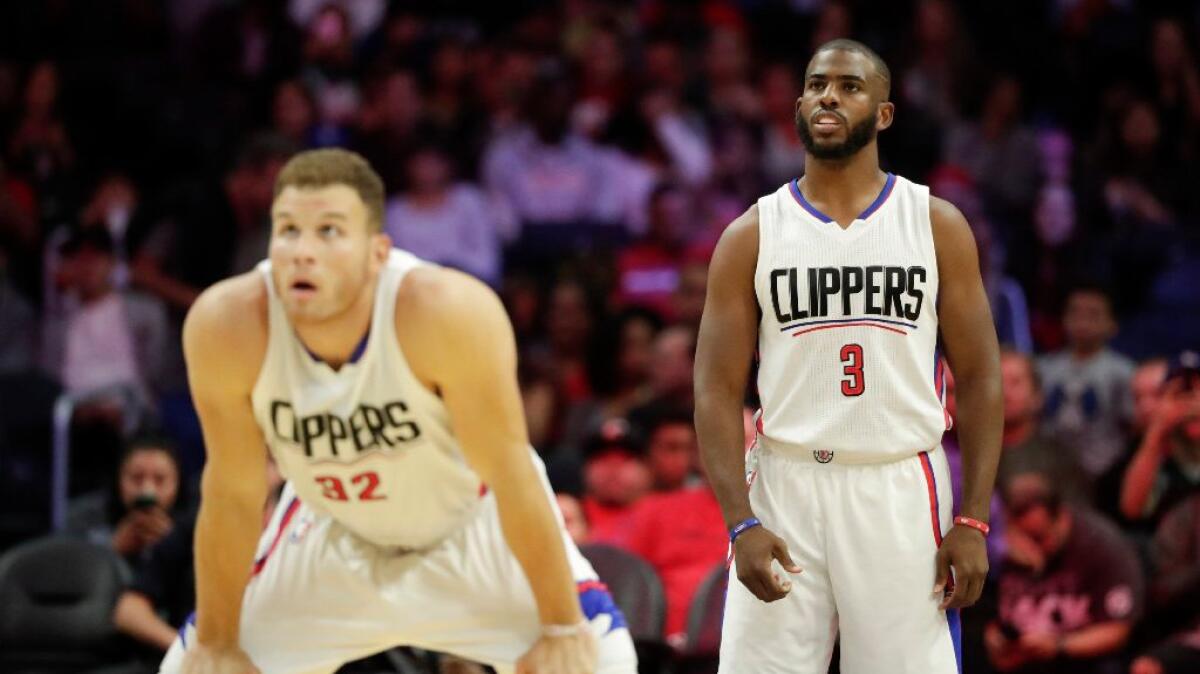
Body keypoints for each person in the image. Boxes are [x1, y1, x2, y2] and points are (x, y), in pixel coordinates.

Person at [163, 148, 636, 674]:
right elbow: (232, 493)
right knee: (195, 665)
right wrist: (219, 643)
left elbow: (511, 474)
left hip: (469, 531)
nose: (301, 251)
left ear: (378, 252)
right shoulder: (227, 324)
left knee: (604, 661)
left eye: (329, 231)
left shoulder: (443, 311)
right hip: (329, 535)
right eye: (288, 230)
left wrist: (561, 628)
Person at [694, 39, 1003, 673]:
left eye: (849, 85)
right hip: (785, 483)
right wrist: (739, 523)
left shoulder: (935, 223)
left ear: (884, 114)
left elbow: (980, 377)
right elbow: (714, 390)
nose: (827, 95)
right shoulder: (752, 233)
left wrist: (973, 519)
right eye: (815, 84)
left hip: (897, 484)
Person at [986, 469, 1142, 674]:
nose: (1030, 550)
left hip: (1082, 662)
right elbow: (984, 618)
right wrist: (994, 638)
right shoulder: (999, 550)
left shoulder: (1101, 546)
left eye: (1038, 538)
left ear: (1062, 518)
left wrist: (1059, 646)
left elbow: (1119, 630)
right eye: (1020, 538)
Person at [1038, 286, 1135, 482]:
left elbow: (1132, 425)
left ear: (1112, 324)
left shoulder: (1124, 372)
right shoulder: (1042, 368)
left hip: (1104, 473)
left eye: (1093, 314)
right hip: (1049, 469)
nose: (1082, 322)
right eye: (1074, 312)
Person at [67, 435, 184, 565]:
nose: (147, 491)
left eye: (159, 480)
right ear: (118, 479)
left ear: (177, 482)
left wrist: (174, 546)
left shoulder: (196, 522)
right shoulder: (83, 518)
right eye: (136, 478)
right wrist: (112, 548)